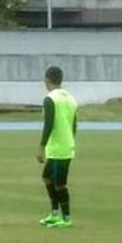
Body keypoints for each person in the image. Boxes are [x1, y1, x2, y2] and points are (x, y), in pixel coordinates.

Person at [37, 65, 79, 228]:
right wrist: (71, 141)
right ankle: (54, 213)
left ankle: (66, 218)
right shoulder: (70, 98)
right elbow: (74, 124)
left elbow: (48, 124)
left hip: (58, 148)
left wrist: (41, 147)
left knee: (59, 183)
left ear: (47, 79)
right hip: (64, 146)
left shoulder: (50, 99)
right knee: (47, 177)